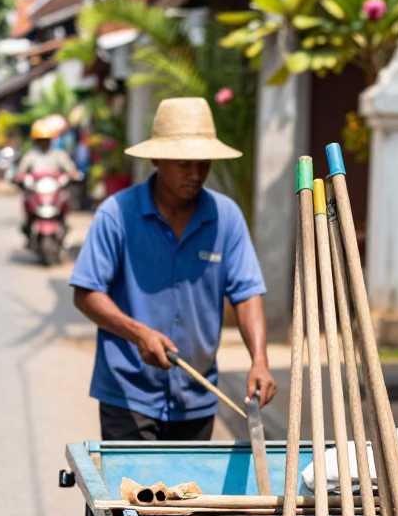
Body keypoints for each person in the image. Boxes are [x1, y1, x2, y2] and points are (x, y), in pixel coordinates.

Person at [70, 97, 277, 441]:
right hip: (128, 393)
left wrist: (260, 359)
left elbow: (247, 293)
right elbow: (86, 292)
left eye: (203, 164)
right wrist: (138, 333)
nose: (196, 174)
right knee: (137, 494)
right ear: (156, 159)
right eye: (184, 164)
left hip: (197, 395)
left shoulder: (226, 217)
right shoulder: (116, 214)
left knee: (186, 494)